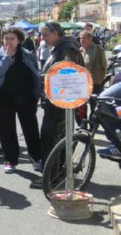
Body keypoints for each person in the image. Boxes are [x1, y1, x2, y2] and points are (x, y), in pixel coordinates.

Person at [32, 20, 84, 188]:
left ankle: (51, 177)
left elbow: (68, 71)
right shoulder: (61, 46)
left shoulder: (67, 47)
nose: (43, 38)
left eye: (45, 35)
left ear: (55, 33)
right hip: (56, 102)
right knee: (55, 137)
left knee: (50, 138)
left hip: (59, 104)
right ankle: (58, 173)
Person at [0, 27, 42, 173]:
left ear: (19, 40)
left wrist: (36, 95)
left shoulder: (28, 55)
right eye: (6, 38)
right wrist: (7, 58)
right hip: (3, 98)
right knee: (6, 130)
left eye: (12, 39)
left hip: (26, 97)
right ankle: (10, 160)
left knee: (30, 129)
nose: (9, 42)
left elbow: (36, 74)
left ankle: (36, 158)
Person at [79, 30, 107, 116]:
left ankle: (92, 124)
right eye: (80, 38)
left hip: (95, 83)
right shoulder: (79, 51)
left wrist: (100, 80)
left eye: (84, 38)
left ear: (90, 39)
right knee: (81, 106)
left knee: (94, 105)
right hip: (82, 83)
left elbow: (104, 67)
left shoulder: (98, 50)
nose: (81, 40)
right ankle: (82, 124)